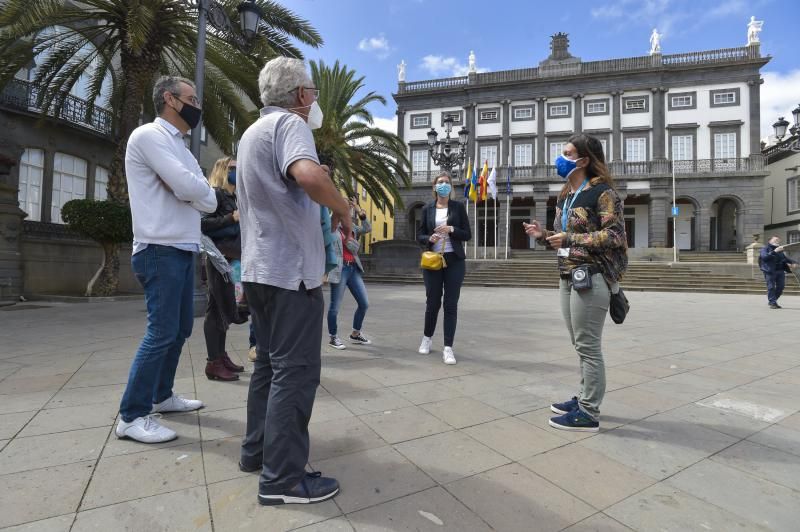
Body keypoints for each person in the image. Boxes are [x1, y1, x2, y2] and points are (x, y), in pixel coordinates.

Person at [237, 57, 351, 506]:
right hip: (291, 272)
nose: (315, 100)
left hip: (260, 269)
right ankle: (283, 479)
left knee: (267, 366)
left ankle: (257, 453)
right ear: (301, 95)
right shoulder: (290, 125)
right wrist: (342, 208)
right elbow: (307, 173)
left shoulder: (251, 133)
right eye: (314, 92)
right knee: (295, 373)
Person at [116, 76, 217, 443]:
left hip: (182, 248)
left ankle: (161, 396)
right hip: (159, 248)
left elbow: (208, 198)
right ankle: (131, 414)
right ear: (170, 99)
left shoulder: (180, 146)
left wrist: (191, 190)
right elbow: (193, 188)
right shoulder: (149, 136)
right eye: (192, 98)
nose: (197, 105)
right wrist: (192, 190)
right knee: (160, 333)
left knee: (179, 329)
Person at [525, 134, 627, 433]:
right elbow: (561, 240)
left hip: (592, 276)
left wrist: (570, 238)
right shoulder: (565, 195)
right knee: (579, 343)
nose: (560, 158)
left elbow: (616, 236)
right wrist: (543, 235)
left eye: (567, 153)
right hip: (567, 275)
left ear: (583, 160)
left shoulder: (604, 193)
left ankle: (589, 412)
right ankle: (584, 398)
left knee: (588, 345)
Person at [416, 171, 471, 365]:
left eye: (447, 182)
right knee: (432, 302)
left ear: (451, 187)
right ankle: (427, 338)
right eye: (440, 182)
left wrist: (452, 229)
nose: (444, 185)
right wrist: (429, 238)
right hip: (433, 261)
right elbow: (420, 234)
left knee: (450, 304)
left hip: (454, 260)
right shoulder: (427, 209)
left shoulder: (458, 207)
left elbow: (467, 234)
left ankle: (448, 348)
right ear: (434, 187)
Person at [201, 157, 247, 381]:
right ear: (222, 170)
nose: (238, 172)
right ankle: (214, 362)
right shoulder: (215, 195)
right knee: (216, 310)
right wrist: (232, 218)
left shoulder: (234, 197)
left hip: (231, 259)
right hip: (219, 258)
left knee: (219, 310)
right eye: (234, 169)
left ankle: (220, 356)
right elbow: (203, 225)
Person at [327, 198, 372, 349]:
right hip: (340, 269)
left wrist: (360, 211)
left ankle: (355, 333)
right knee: (335, 307)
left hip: (353, 268)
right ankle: (333, 337)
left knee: (364, 303)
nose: (348, 210)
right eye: (345, 207)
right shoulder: (331, 225)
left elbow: (367, 228)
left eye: (349, 208)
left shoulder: (351, 226)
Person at [759, 236, 797, 309]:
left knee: (781, 287)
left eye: (778, 240)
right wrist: (774, 251)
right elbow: (764, 257)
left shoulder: (780, 250)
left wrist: (792, 262)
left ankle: (772, 301)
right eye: (776, 240)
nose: (778, 241)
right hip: (769, 271)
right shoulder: (765, 249)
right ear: (770, 241)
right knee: (771, 287)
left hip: (780, 271)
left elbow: (785, 259)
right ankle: (773, 302)